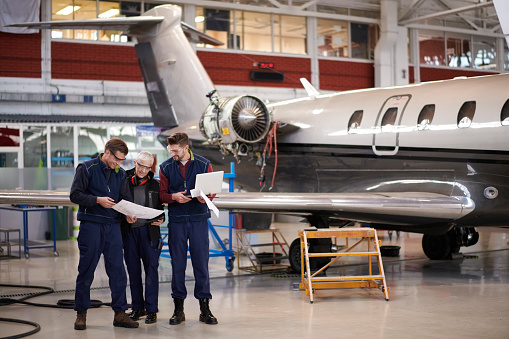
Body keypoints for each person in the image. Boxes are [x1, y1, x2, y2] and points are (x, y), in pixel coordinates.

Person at [69, 137, 139, 330]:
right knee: (86, 270)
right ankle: (81, 314)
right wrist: (97, 200)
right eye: (117, 159)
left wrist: (128, 215)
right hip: (92, 226)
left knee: (118, 271)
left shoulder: (120, 174)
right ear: (107, 152)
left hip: (113, 227)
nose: (119, 163)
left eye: (122, 160)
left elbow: (125, 199)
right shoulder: (86, 168)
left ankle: (120, 314)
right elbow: (74, 195)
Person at [159, 132, 218, 325]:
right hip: (177, 221)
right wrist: (173, 197)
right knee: (178, 265)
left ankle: (205, 308)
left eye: (175, 150)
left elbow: (212, 190)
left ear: (185, 148)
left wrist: (207, 196)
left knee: (201, 263)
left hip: (198, 219)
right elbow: (162, 195)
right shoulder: (166, 167)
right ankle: (178, 309)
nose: (172, 154)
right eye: (171, 151)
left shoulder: (203, 164)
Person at [121, 151, 165, 324]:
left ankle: (152, 310)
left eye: (147, 167)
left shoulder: (156, 185)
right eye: (140, 165)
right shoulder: (123, 182)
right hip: (130, 233)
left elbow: (160, 207)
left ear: (151, 167)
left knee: (151, 272)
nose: (142, 170)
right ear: (134, 163)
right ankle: (137, 308)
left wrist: (162, 218)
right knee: (133, 271)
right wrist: (125, 216)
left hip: (149, 233)